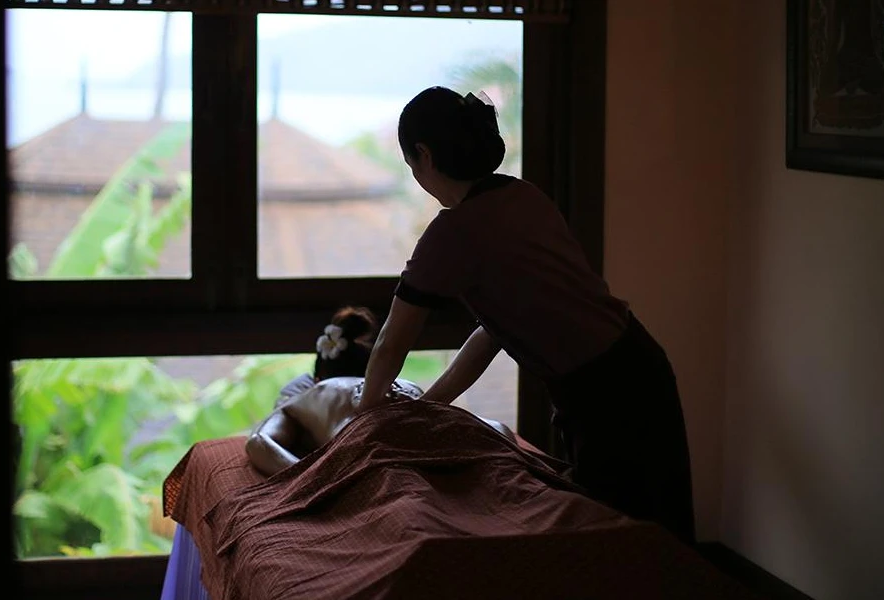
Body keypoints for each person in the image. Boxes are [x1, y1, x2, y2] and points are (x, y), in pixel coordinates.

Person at [352, 86, 696, 544]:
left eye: (411, 164)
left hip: (609, 394)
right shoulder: (523, 196)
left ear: (424, 154)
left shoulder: (452, 234)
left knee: (621, 547)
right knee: (651, 542)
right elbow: (493, 332)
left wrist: (365, 417)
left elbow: (392, 344)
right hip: (635, 365)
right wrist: (429, 405)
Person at [245, 306, 514, 476]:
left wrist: (307, 476)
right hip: (428, 424)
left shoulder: (311, 395)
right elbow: (499, 431)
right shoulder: (406, 388)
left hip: (371, 441)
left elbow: (259, 443)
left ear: (317, 377)